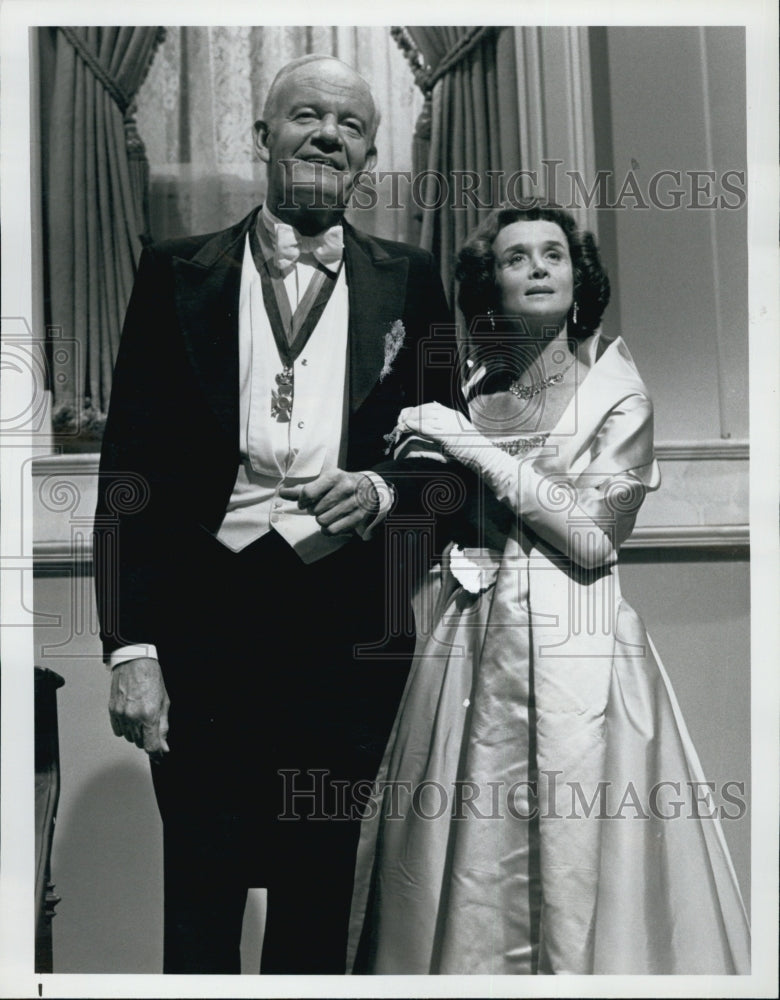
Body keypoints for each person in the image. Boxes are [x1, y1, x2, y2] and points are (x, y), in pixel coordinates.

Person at [93, 54, 455, 974]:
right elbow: (129, 472)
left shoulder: (412, 279)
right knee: (201, 899)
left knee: (319, 903)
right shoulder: (174, 271)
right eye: (306, 115)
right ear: (264, 135)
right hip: (203, 628)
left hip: (347, 635)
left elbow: (448, 469)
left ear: (368, 155)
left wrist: (380, 491)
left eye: (350, 124)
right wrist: (131, 648)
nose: (327, 134)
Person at [347, 204, 751, 974]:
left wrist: (463, 442)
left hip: (580, 649)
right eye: (515, 258)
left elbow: (593, 537)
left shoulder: (617, 395)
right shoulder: (467, 392)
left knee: (581, 852)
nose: (537, 267)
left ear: (578, 278)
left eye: (553, 254)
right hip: (469, 648)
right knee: (463, 863)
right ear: (489, 287)